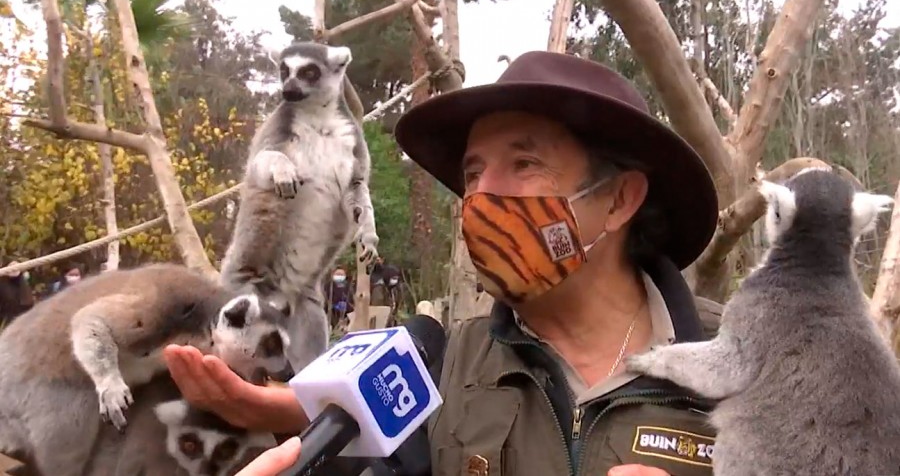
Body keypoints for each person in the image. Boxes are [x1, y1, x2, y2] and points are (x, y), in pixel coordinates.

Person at [164, 51, 724, 476]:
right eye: (474, 173)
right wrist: (270, 414)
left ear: (620, 199)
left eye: (524, 162)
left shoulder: (760, 362)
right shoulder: (446, 365)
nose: (482, 198)